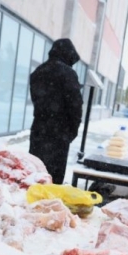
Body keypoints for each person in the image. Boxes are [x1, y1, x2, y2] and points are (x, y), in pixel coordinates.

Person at [29, 38, 83, 184]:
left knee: (36, 173)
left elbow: (37, 101)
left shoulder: (38, 72)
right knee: (53, 177)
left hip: (39, 130)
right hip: (59, 133)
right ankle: (50, 205)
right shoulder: (68, 73)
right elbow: (75, 106)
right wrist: (71, 131)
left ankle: (32, 203)